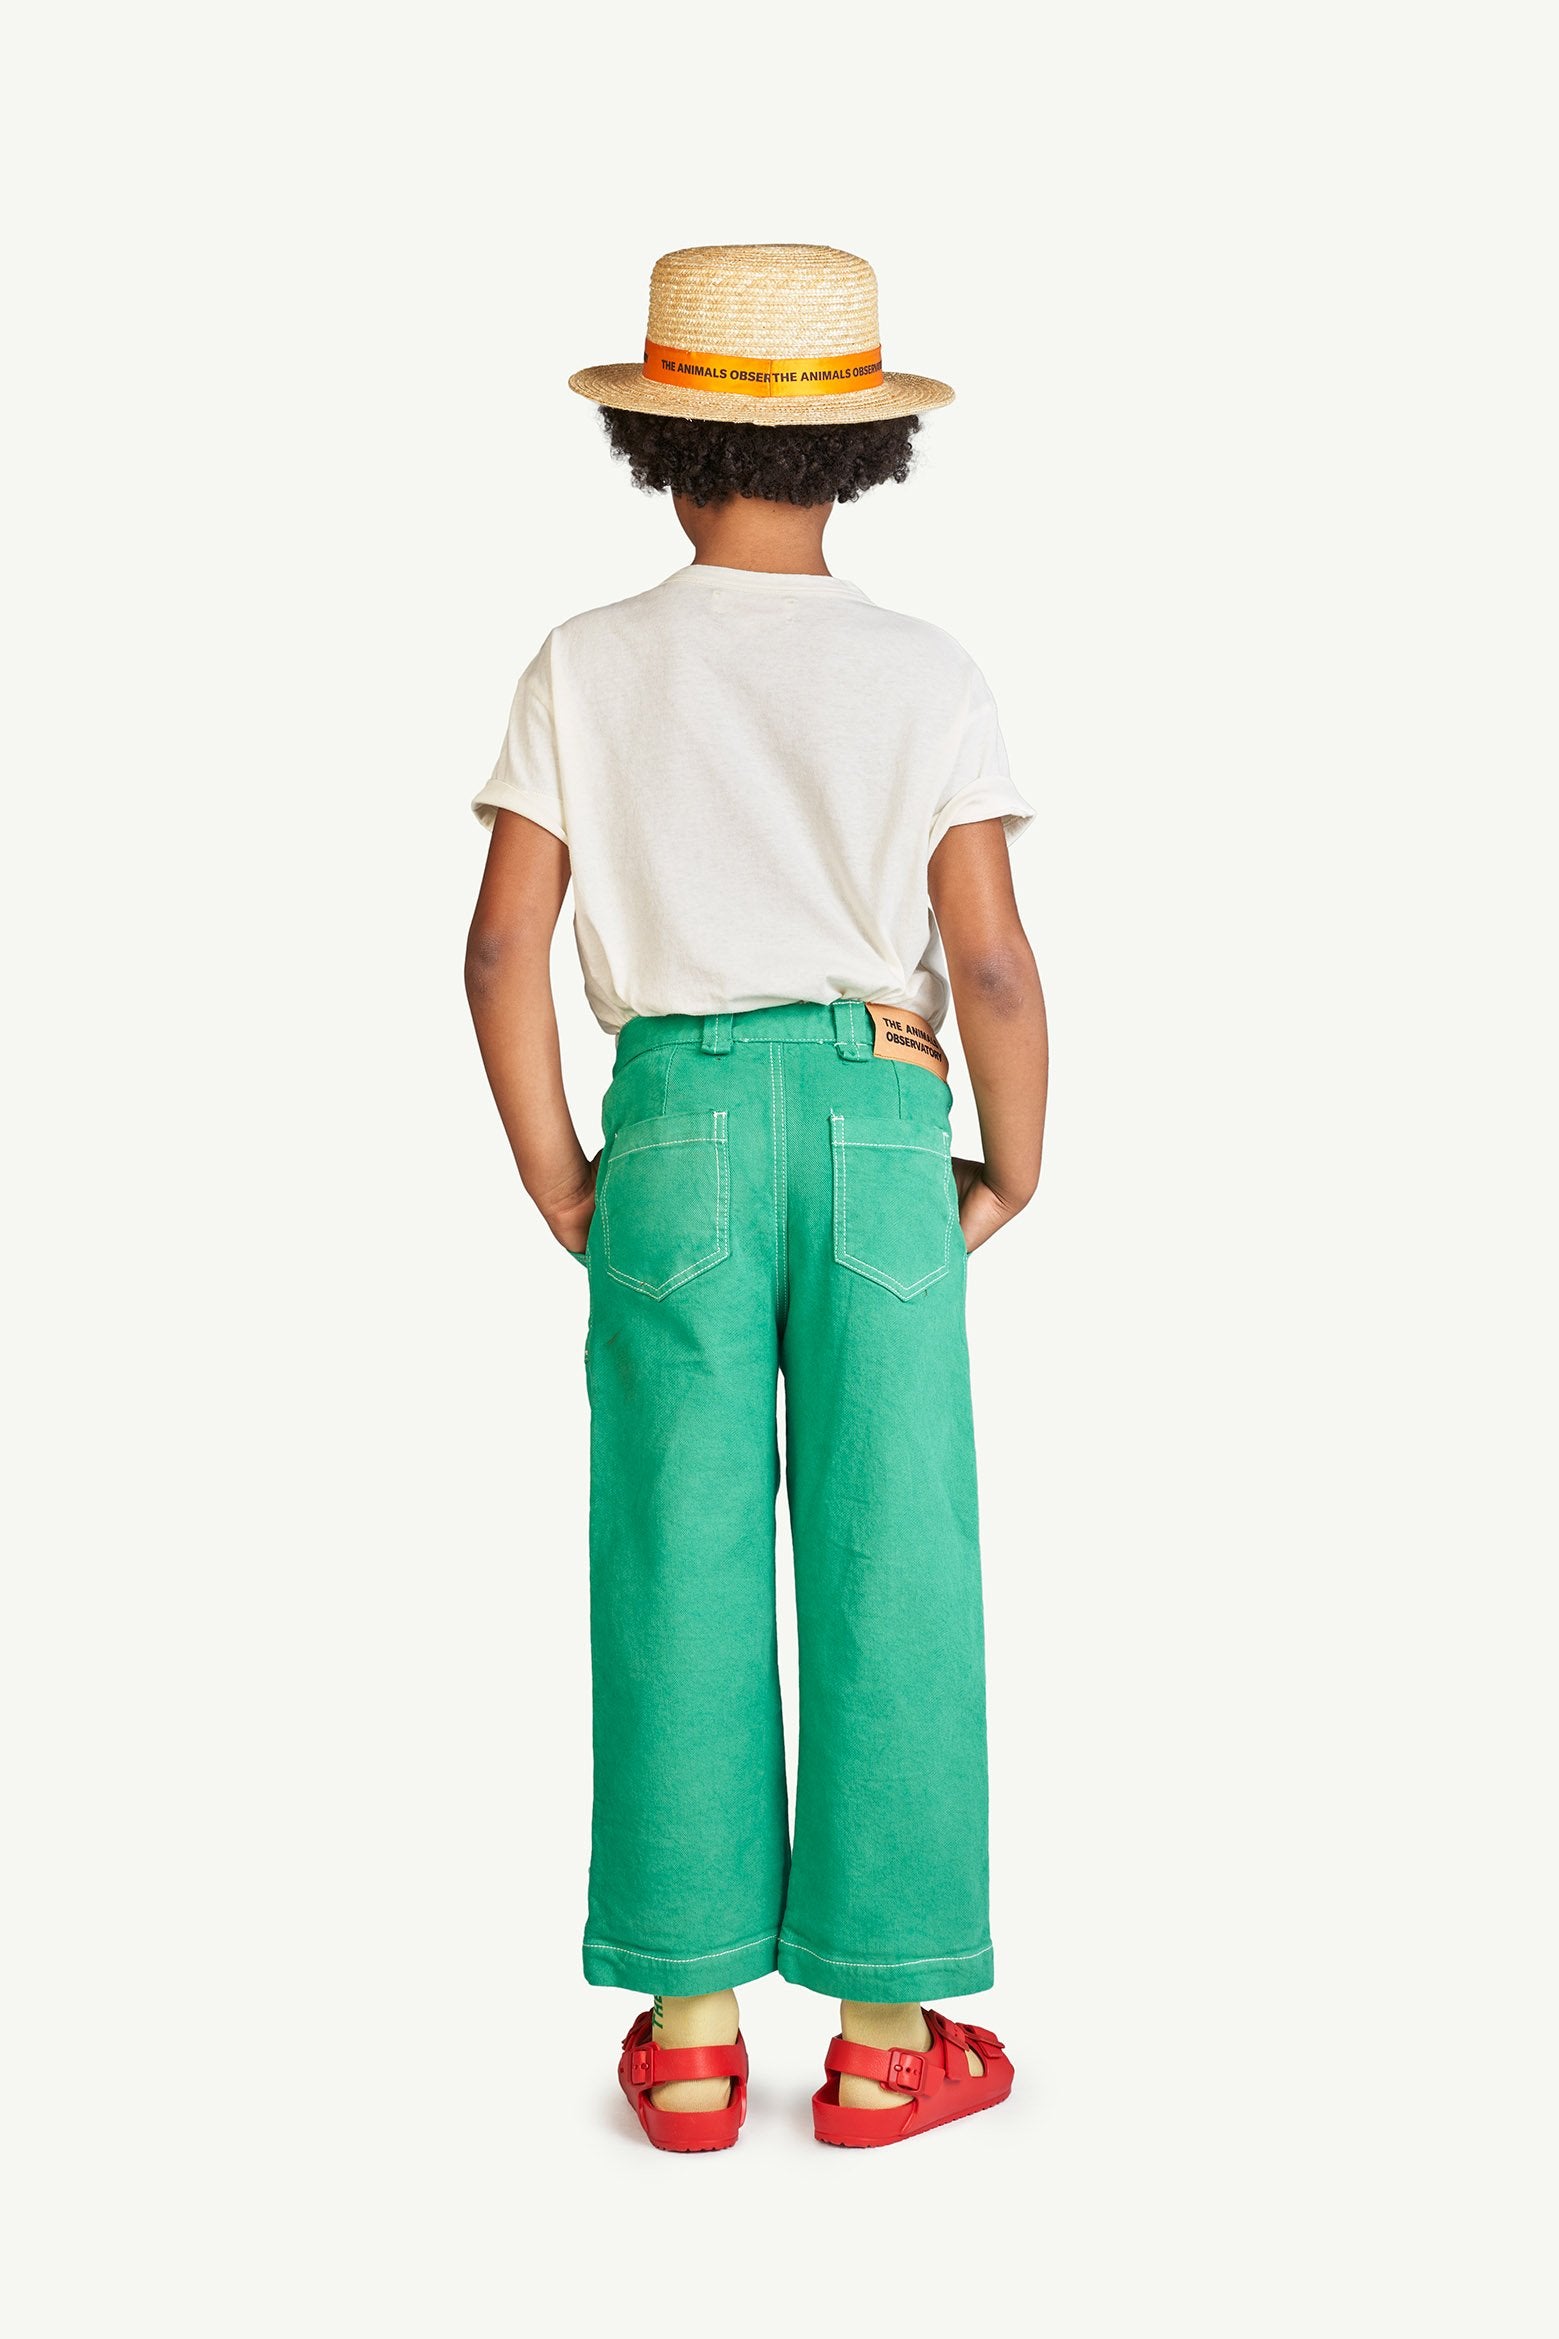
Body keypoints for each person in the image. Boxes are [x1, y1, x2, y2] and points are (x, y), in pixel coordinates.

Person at [465, 244, 1048, 2151]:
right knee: (897, 1552)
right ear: (865, 450)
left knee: (674, 1547)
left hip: (677, 1127)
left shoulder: (584, 663)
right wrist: (1015, 1159)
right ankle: (883, 2040)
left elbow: (503, 948)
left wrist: (564, 1176)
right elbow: (991, 962)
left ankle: (697, 2026)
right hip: (883, 1123)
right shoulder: (927, 672)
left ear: (653, 447)